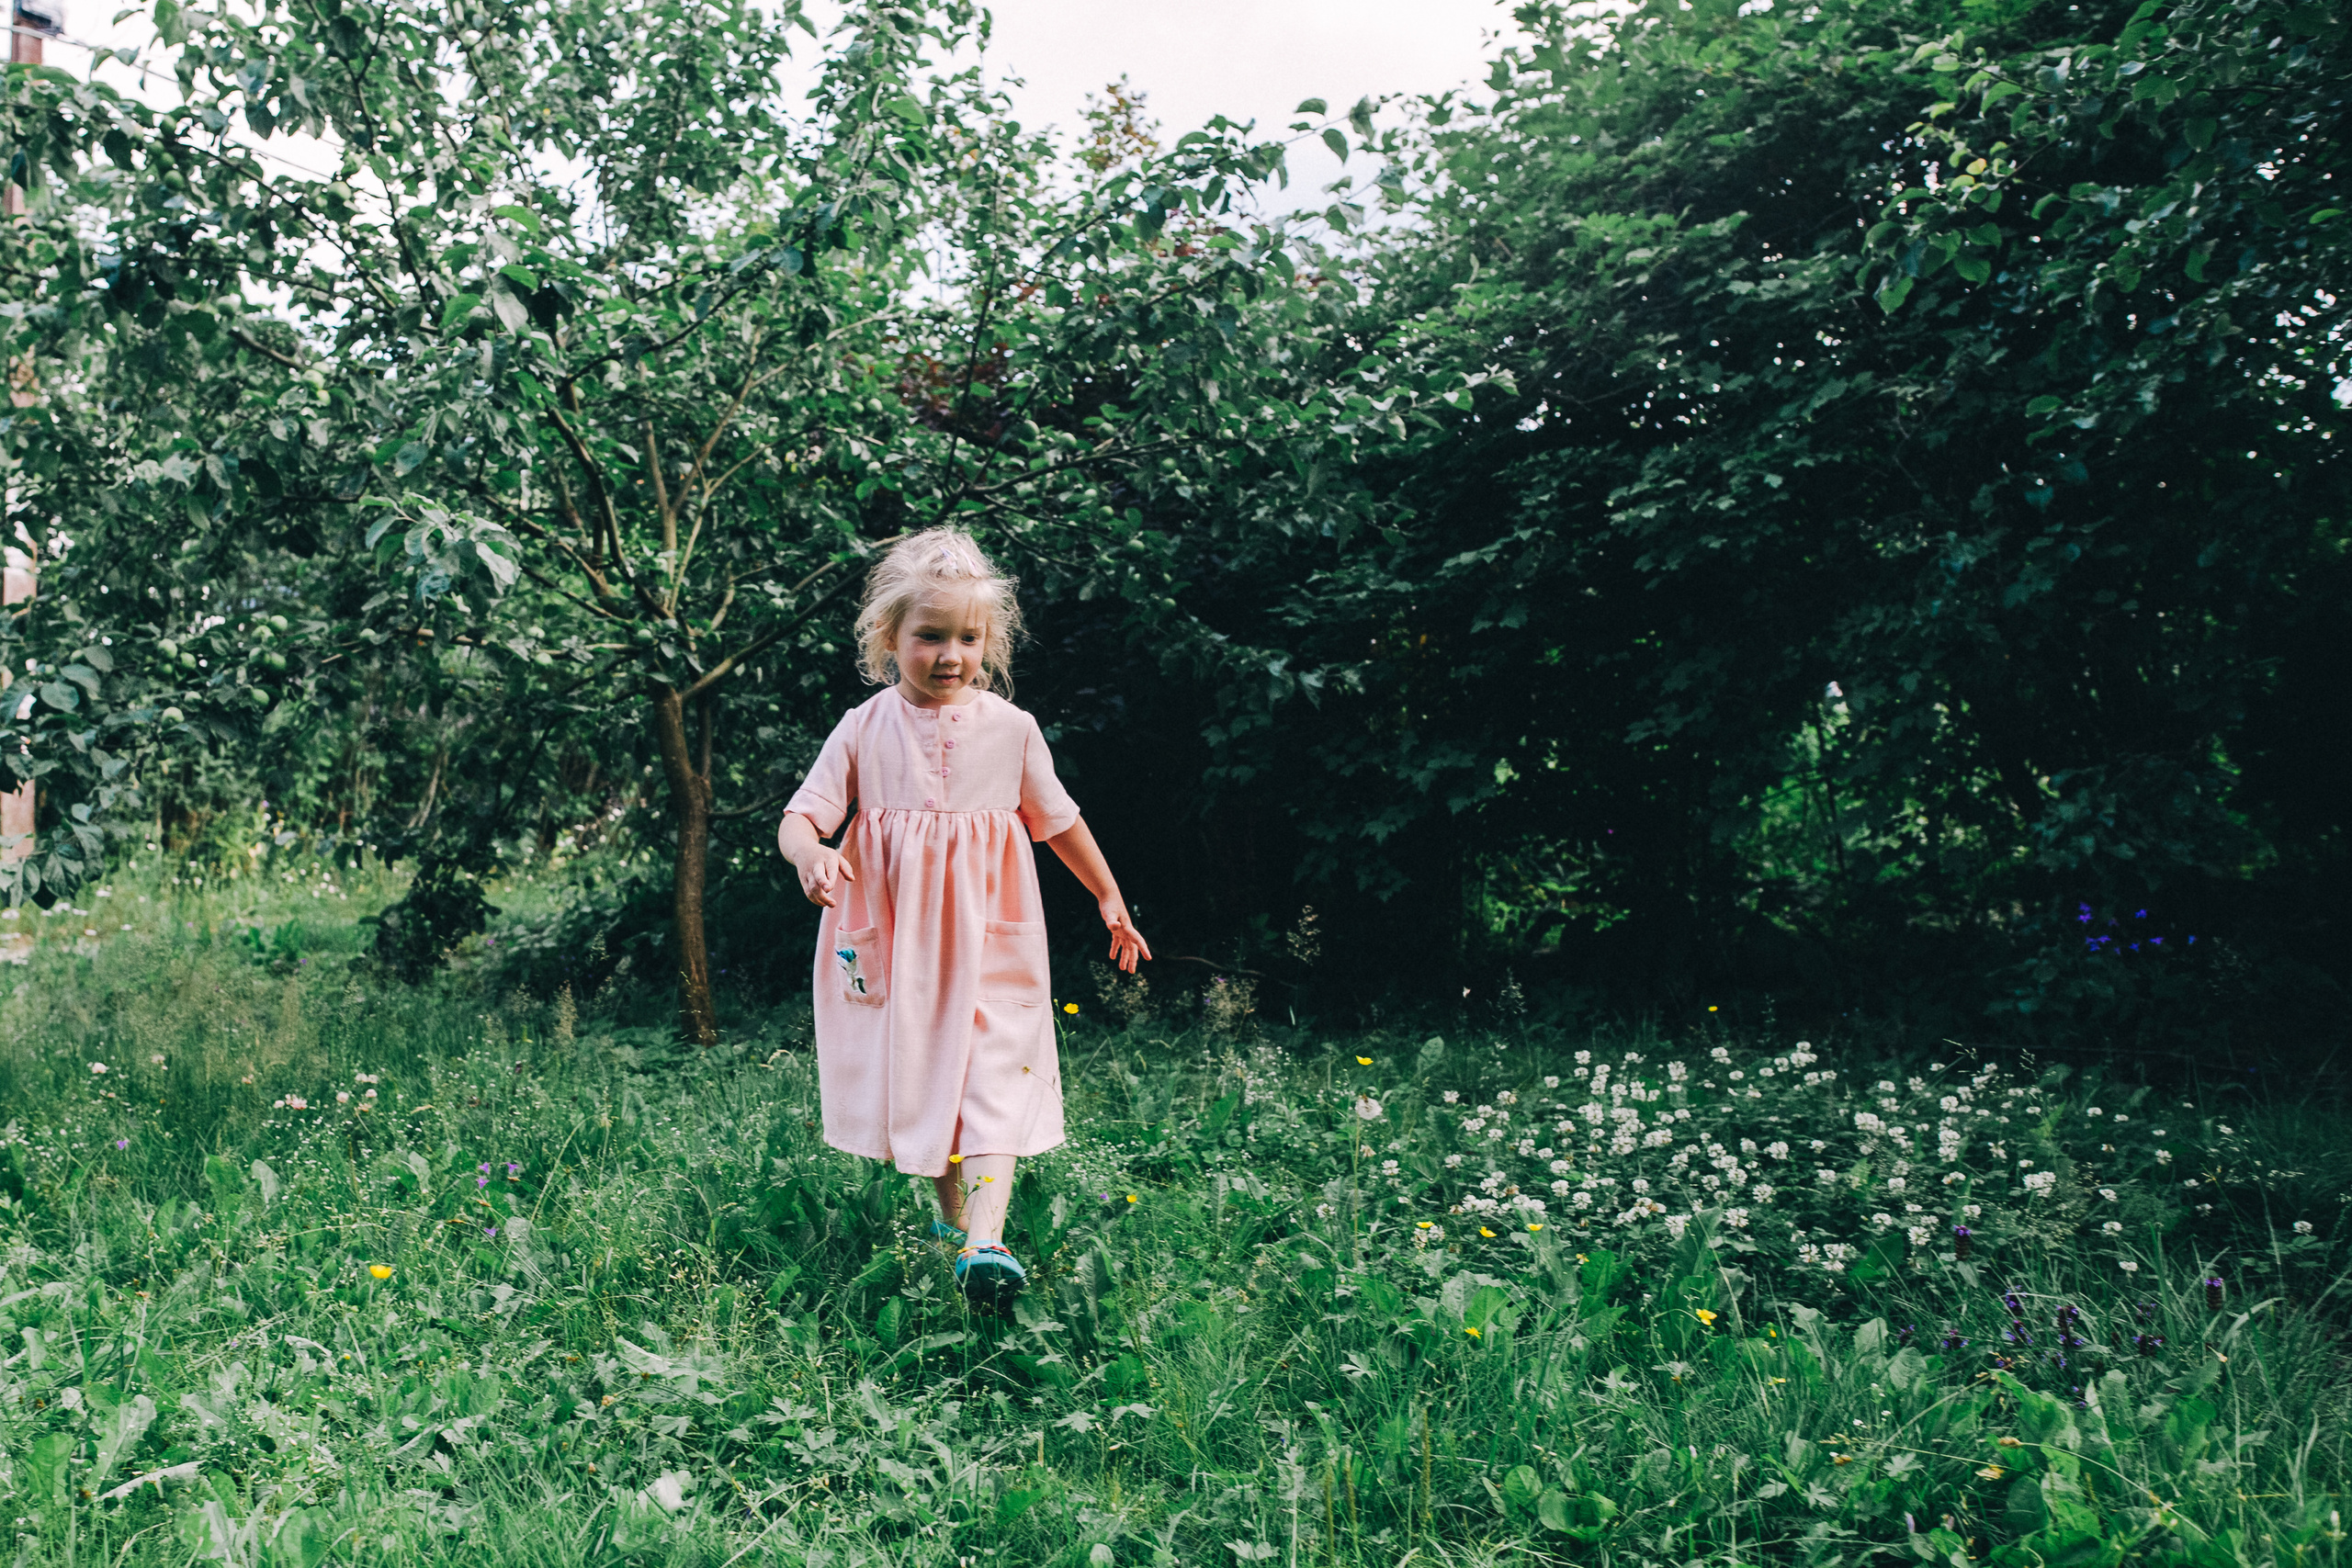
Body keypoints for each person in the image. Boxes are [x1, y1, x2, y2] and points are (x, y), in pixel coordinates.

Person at [776, 527, 1150, 1312]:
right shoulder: (863, 727)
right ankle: (961, 1240)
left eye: (969, 638)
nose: (952, 654)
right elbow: (801, 816)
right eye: (931, 636)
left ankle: (988, 1240)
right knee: (929, 1079)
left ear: (991, 642)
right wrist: (811, 855)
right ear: (890, 638)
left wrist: (1108, 894)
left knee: (992, 1079)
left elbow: (1060, 822)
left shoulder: (1011, 731)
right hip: (899, 942)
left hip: (991, 935)